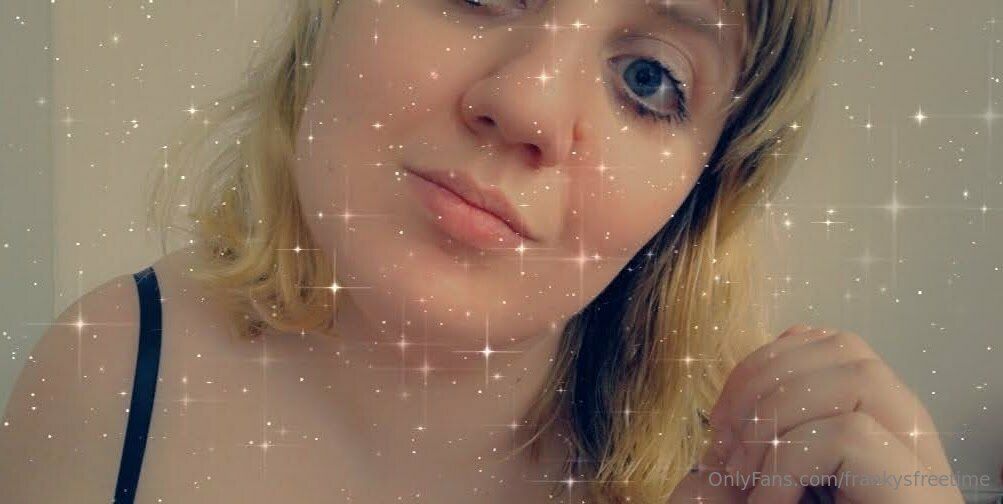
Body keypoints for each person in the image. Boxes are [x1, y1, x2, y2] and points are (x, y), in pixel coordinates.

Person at [0, 0, 963, 502]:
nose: (528, 102)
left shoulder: (751, 484)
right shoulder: (108, 371)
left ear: (696, 197)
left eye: (647, 78)